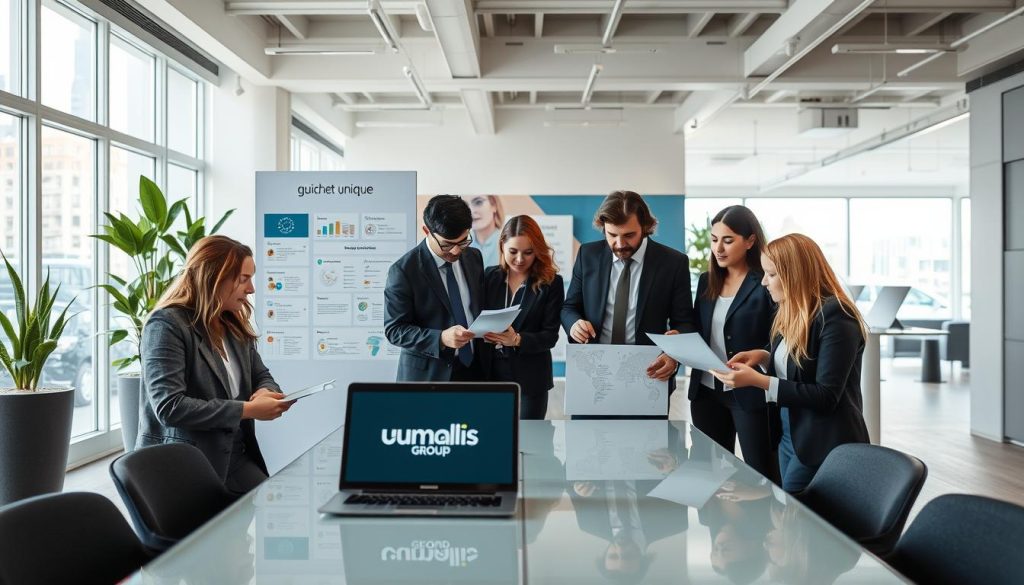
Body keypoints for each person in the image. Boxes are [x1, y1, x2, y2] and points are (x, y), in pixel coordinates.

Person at [711, 233, 869, 492]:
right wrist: (763, 357)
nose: (763, 282)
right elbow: (800, 364)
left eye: (771, 274)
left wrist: (758, 381)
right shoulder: (793, 310)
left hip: (823, 442)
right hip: (789, 433)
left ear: (794, 275)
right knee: (791, 516)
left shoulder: (837, 316)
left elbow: (826, 395)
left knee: (795, 518)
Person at [137, 235, 293, 496]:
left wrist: (265, 391)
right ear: (214, 277)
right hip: (183, 467)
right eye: (244, 279)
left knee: (269, 516)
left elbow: (261, 374)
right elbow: (170, 407)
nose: (252, 289)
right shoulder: (166, 326)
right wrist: (247, 409)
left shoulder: (232, 324)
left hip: (235, 458)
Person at [561, 190, 695, 417]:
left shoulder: (673, 263)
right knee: (587, 448)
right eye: (611, 234)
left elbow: (686, 323)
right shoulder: (588, 255)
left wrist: (673, 356)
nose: (619, 244)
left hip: (648, 378)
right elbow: (569, 308)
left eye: (629, 235)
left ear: (645, 226)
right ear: (603, 227)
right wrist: (574, 324)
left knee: (647, 449)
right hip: (594, 378)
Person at [687, 205, 779, 482]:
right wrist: (679, 338)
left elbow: (778, 339)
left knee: (759, 471)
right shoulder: (706, 281)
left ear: (750, 241)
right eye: (715, 240)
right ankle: (718, 527)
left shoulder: (765, 282)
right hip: (706, 391)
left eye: (728, 240)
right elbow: (698, 329)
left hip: (749, 391)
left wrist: (762, 356)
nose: (719, 248)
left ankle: (764, 524)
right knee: (708, 473)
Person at [385, 195, 486, 381]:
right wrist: (440, 339)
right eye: (447, 245)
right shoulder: (403, 271)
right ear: (426, 231)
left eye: (463, 241)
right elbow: (395, 330)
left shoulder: (474, 257)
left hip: (474, 371)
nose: (456, 251)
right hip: (428, 376)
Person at [481, 215, 564, 419]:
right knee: (494, 436)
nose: (519, 259)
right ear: (502, 247)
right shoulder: (488, 277)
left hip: (531, 377)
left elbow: (550, 336)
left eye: (528, 252)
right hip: (491, 374)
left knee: (533, 443)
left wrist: (517, 339)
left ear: (538, 250)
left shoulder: (551, 283)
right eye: (513, 251)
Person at [463, 195, 504, 267]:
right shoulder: (461, 246)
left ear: (494, 205)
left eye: (478, 202)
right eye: (464, 205)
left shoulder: (508, 243)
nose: (471, 211)